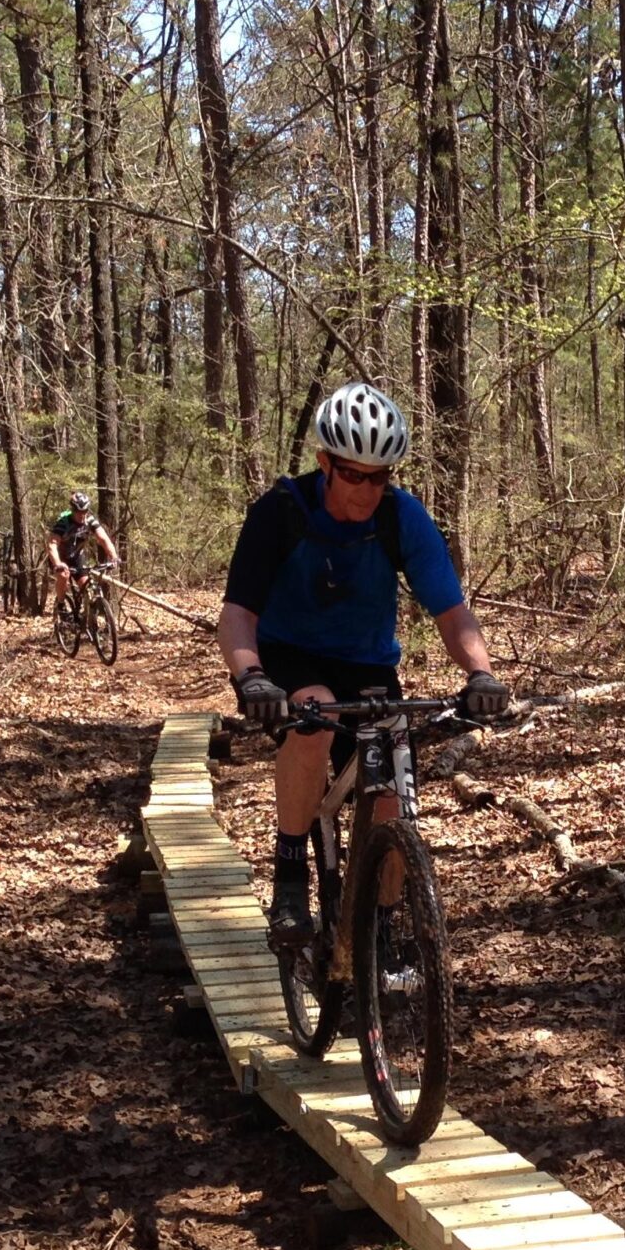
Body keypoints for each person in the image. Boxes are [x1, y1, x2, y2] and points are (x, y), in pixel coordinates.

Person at [217, 382, 509, 937]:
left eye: (380, 477)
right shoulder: (281, 512)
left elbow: (452, 613)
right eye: (353, 474)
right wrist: (252, 678)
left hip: (368, 664)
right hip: (289, 657)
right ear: (325, 463)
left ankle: (378, 928)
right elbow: (236, 615)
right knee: (316, 719)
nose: (367, 490)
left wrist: (481, 672)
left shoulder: (401, 517)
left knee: (395, 787)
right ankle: (289, 877)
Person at [45, 489, 120, 615]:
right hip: (60, 557)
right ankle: (61, 605)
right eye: (79, 512)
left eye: (85, 511)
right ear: (73, 510)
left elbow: (104, 539)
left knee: (86, 585)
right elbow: (52, 544)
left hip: (76, 556)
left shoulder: (90, 521)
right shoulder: (63, 523)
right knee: (63, 576)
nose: (82, 515)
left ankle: (88, 619)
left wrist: (114, 556)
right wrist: (58, 564)